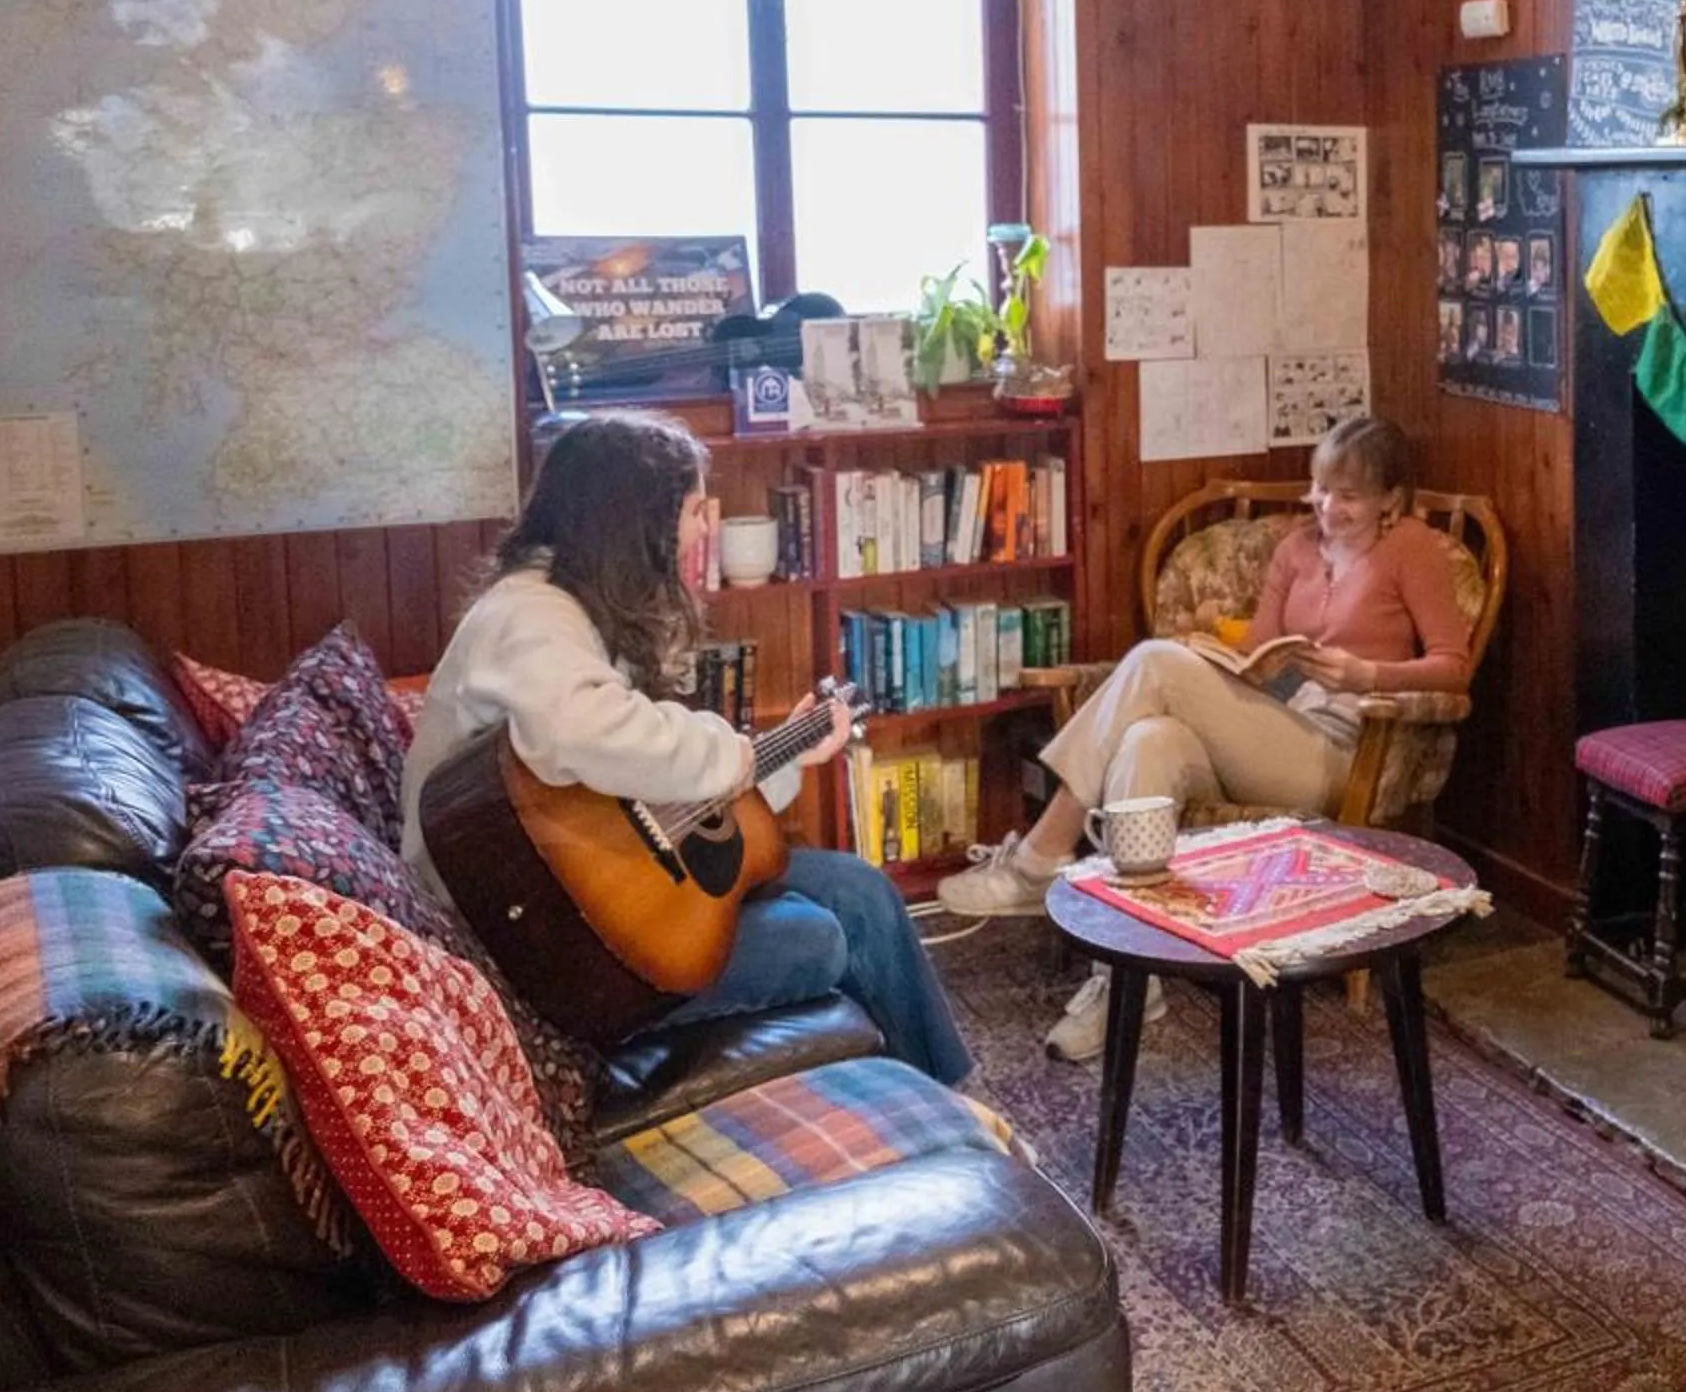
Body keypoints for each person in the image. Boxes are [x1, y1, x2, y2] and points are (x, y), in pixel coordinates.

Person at [402, 410, 970, 1086]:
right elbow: (580, 734)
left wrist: (787, 756)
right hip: (540, 949)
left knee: (862, 893)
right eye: (696, 510)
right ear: (631, 522)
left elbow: (634, 792)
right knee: (818, 937)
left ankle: (954, 1100)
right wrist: (734, 754)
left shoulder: (582, 611)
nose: (707, 528)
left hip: (589, 892)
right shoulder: (527, 615)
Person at [938, 414, 1469, 1061]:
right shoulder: (1298, 548)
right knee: (1149, 741)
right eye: (1320, 488)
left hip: (1339, 751)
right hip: (1263, 727)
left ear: (1392, 498)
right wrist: (1220, 650)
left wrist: (1366, 672)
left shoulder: (1413, 549)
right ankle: (1129, 982)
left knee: (1155, 664)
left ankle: (1040, 857)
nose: (1328, 506)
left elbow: (1453, 664)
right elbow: (1262, 656)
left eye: (1349, 495)